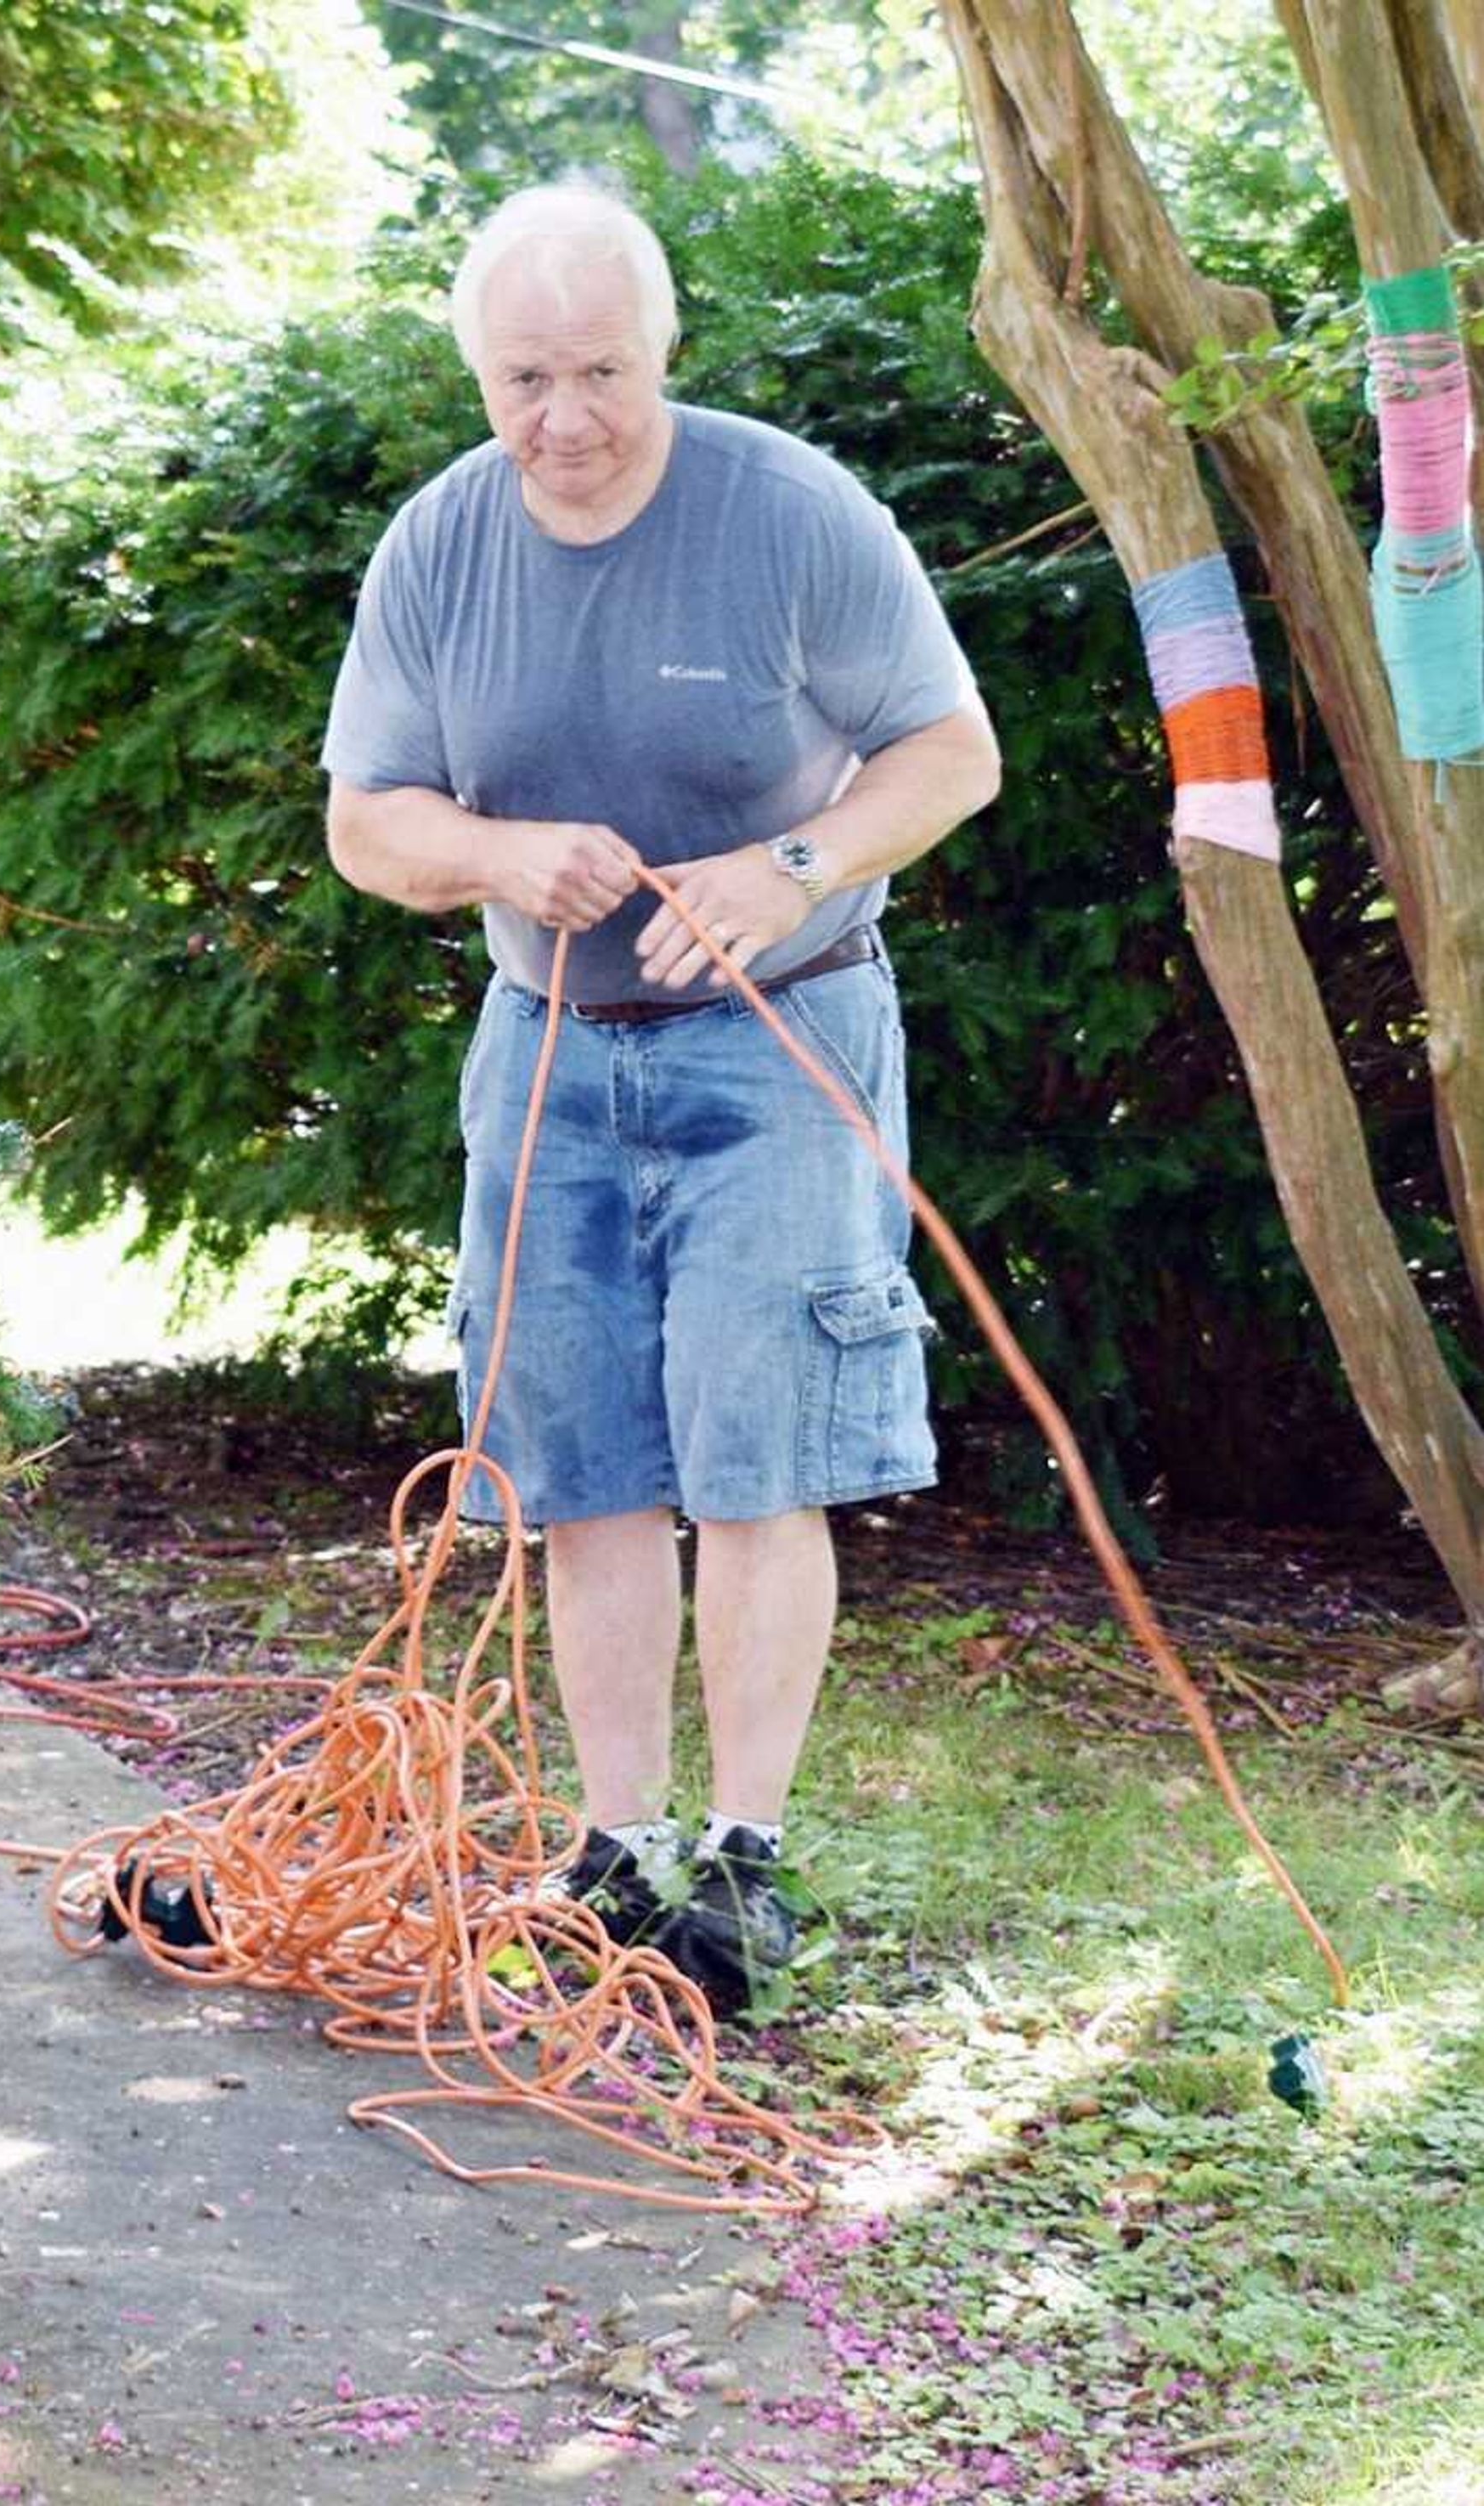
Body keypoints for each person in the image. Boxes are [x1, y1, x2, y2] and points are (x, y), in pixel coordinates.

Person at [321, 183, 1000, 2017]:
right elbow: (367, 816)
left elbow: (952, 751)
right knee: (584, 1474)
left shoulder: (790, 516)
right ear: (478, 368)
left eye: (601, 370)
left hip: (781, 1039)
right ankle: (611, 1855)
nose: (565, 417)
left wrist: (789, 861)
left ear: (664, 348)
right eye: (524, 376)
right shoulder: (438, 547)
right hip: (546, 1050)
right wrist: (494, 850)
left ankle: (744, 1865)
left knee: (758, 1455)